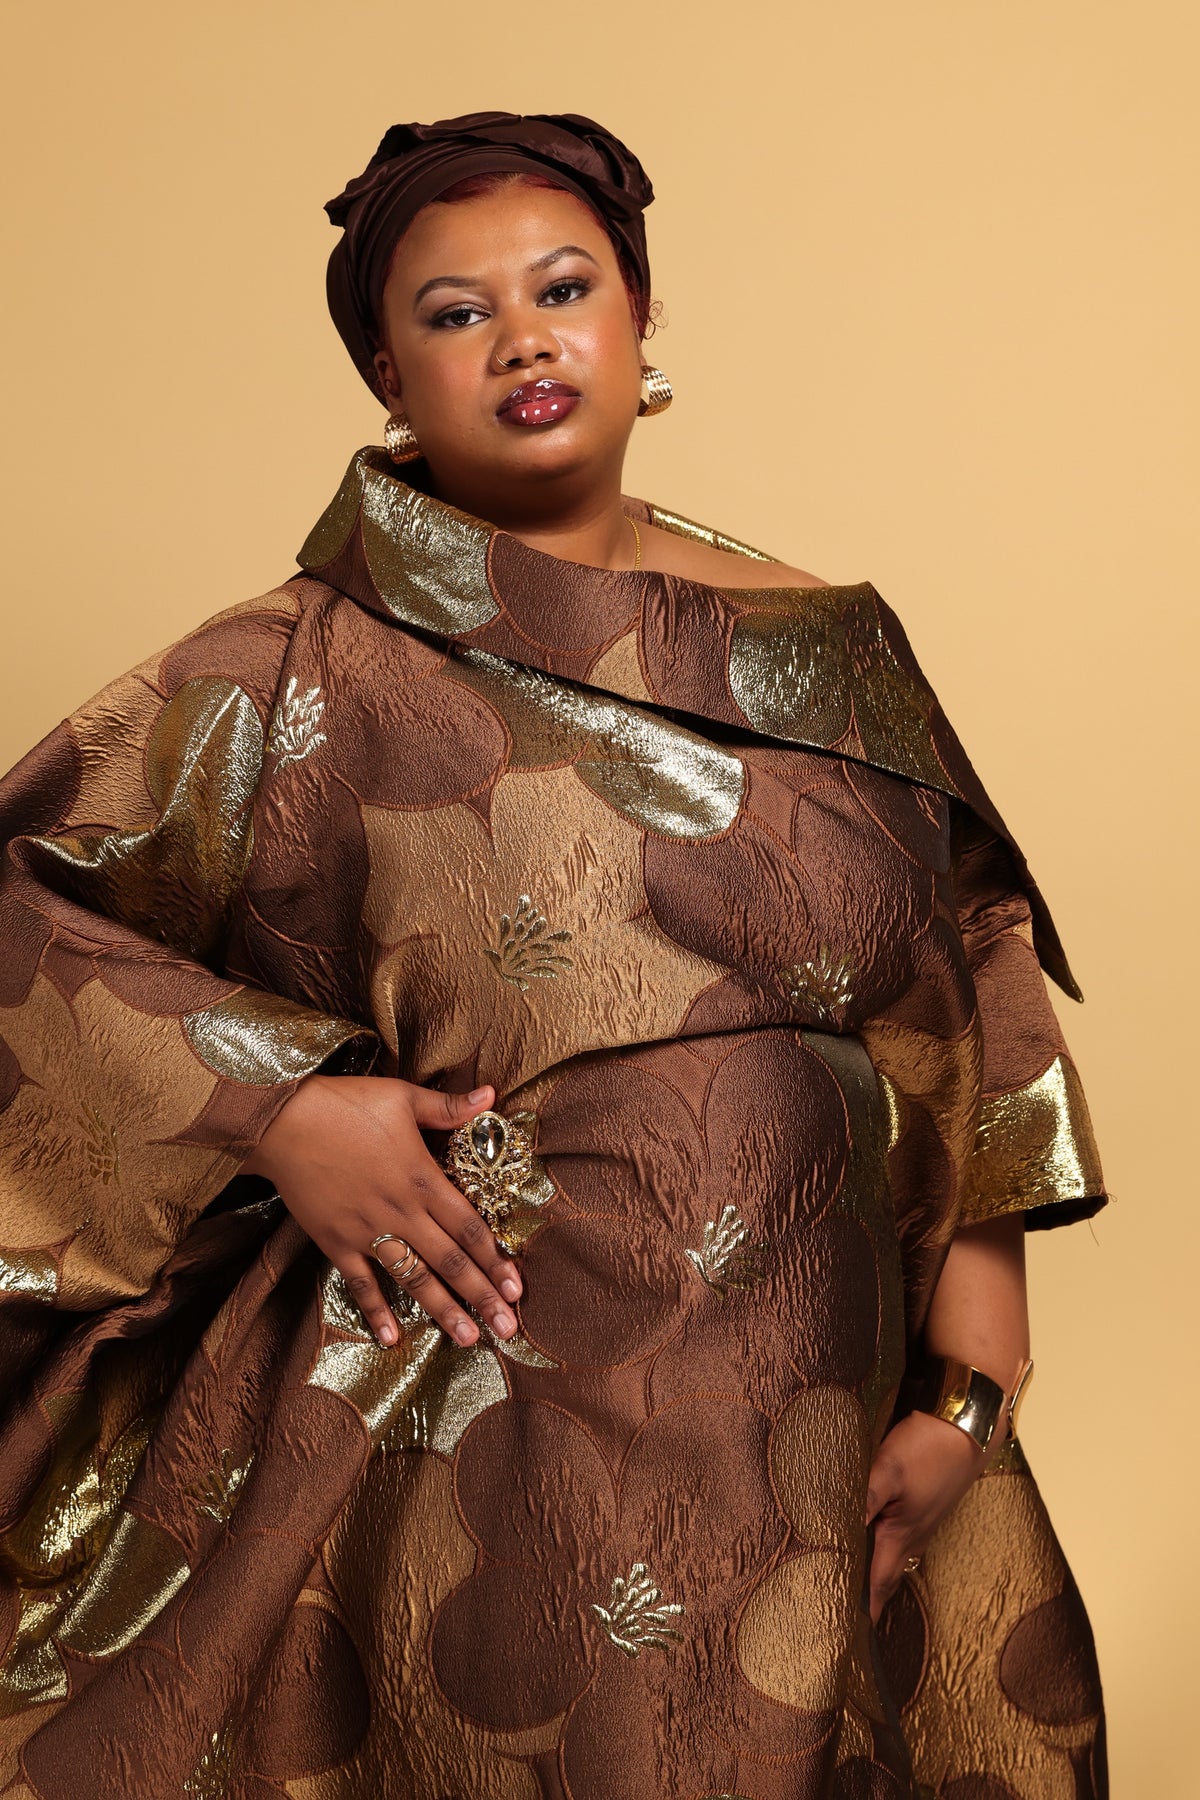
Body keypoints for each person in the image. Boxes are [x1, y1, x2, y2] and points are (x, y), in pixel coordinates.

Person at [0, 112, 1108, 1798]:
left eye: (564, 288)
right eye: (457, 313)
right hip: (473, 1403)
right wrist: (281, 1108)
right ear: (388, 373)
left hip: (820, 1399)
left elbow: (971, 975)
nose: (523, 338)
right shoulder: (291, 667)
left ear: (641, 316)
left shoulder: (830, 653)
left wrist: (973, 1382)